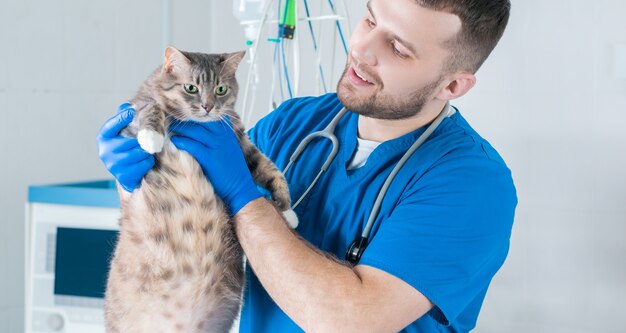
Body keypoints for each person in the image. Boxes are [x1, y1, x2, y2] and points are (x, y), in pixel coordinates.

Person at [97, 0, 517, 331]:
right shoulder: (292, 123)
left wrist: (245, 197)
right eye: (370, 21)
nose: (363, 50)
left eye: (398, 48)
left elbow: (349, 322)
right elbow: (185, 234)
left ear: (453, 85)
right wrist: (138, 178)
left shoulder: (473, 184)